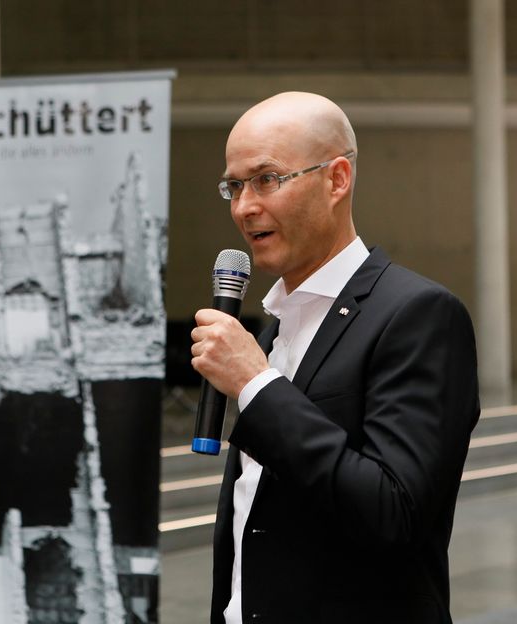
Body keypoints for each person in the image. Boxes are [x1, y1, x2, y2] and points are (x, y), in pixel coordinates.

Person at [190, 91, 480, 624]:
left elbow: (394, 512)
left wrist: (256, 386)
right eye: (233, 186)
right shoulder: (279, 324)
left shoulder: (418, 315)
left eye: (266, 179)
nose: (244, 206)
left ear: (337, 179)